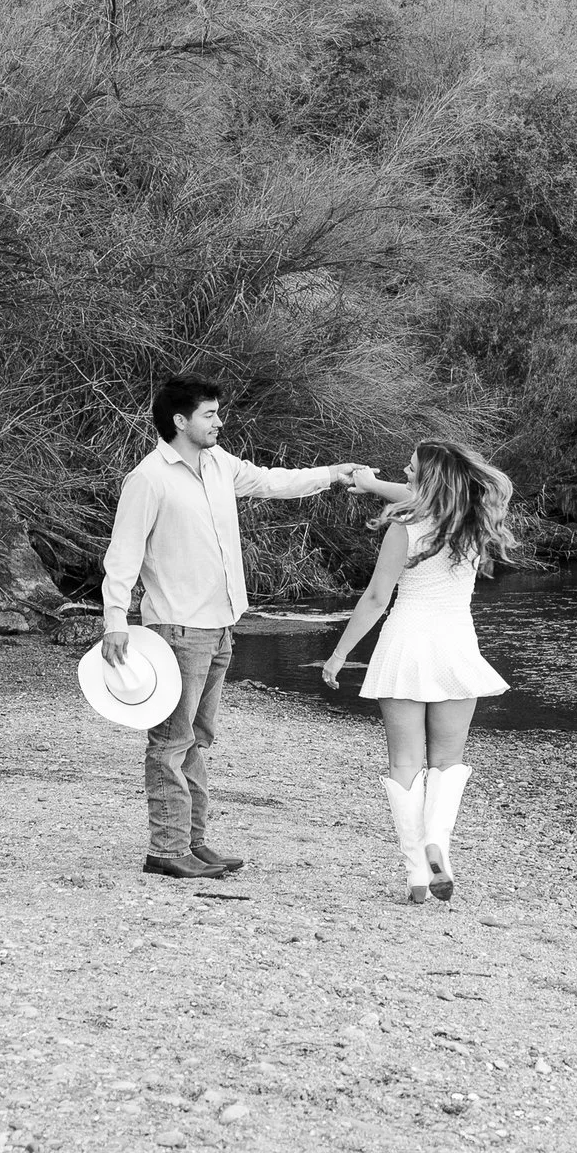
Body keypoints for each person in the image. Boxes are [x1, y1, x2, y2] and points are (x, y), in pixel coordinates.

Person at [101, 375, 373, 880]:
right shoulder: (150, 478)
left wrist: (333, 473)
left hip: (222, 623)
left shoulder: (219, 465)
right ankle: (166, 849)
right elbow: (123, 554)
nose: (219, 422)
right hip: (177, 628)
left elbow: (274, 481)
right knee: (170, 742)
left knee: (198, 738)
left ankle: (192, 842)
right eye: (209, 414)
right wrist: (115, 619)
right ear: (180, 421)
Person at [319, 439, 514, 904]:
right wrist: (370, 484)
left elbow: (375, 599)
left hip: (405, 645)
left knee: (405, 764)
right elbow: (419, 496)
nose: (403, 476)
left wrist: (340, 653)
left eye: (409, 471)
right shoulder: (474, 521)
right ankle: (437, 847)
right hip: (455, 646)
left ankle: (415, 875)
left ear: (426, 482)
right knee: (446, 763)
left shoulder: (404, 529)